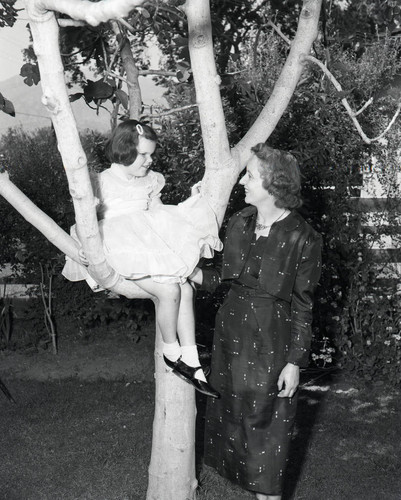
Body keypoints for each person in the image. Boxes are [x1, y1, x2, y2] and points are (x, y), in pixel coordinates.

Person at [189, 143, 322, 499]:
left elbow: (302, 305)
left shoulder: (303, 237)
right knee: (233, 424)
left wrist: (295, 362)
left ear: (274, 183)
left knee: (268, 435)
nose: (243, 182)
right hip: (229, 338)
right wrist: (189, 272)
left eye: (250, 175)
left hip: (270, 342)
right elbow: (223, 279)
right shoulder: (240, 222)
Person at [62, 119, 222, 399]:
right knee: (171, 289)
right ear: (124, 151)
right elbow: (87, 221)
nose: (150, 160)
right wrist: (84, 241)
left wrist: (188, 210)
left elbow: (159, 215)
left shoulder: (150, 180)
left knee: (184, 289)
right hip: (119, 246)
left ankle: (192, 359)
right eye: (143, 154)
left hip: (146, 243)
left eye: (151, 154)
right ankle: (172, 354)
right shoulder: (101, 181)